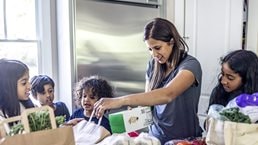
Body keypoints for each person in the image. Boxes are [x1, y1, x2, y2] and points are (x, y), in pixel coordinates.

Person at [94, 17, 203, 144]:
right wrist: (129, 116)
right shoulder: (153, 65)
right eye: (150, 49)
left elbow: (168, 94)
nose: (154, 54)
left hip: (184, 141)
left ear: (172, 42)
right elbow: (148, 102)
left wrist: (120, 100)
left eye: (157, 47)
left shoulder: (190, 65)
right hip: (154, 138)